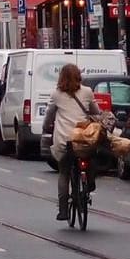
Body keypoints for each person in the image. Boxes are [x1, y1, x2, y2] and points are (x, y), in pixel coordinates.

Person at [48, 64, 106, 222]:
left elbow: (49, 115)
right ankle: (90, 181)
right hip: (83, 138)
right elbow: (96, 112)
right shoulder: (87, 92)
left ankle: (63, 210)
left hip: (65, 141)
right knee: (91, 155)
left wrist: (47, 126)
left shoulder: (56, 95)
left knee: (64, 173)